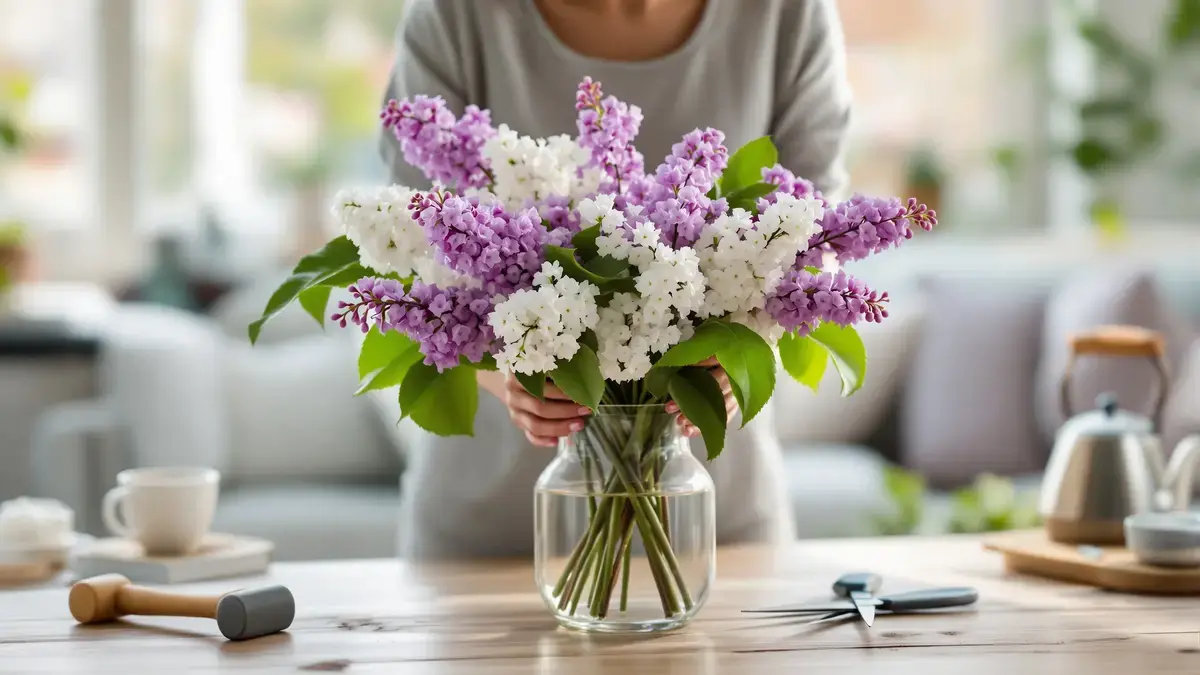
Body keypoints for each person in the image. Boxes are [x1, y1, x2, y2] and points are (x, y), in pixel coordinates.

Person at [378, 0, 852, 560]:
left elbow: (818, 236)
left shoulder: (787, 13)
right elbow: (415, 246)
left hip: (715, 526)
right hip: (491, 530)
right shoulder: (454, 15)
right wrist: (512, 371)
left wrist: (745, 349)